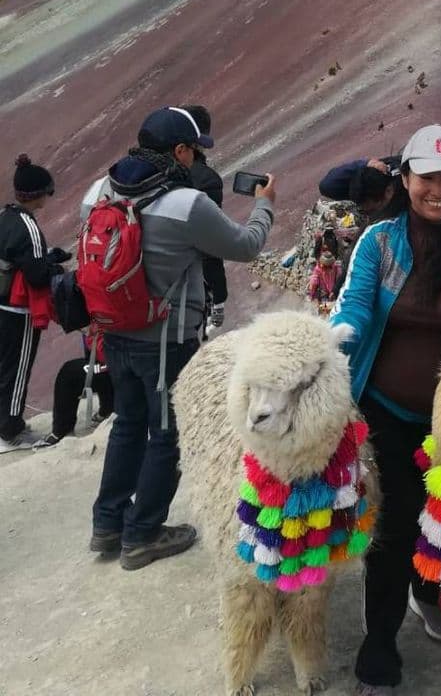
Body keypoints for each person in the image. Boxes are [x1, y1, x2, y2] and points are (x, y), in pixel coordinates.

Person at [330, 124, 441, 695]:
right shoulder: (378, 242)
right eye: (427, 177)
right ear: (404, 179)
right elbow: (356, 303)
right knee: (392, 526)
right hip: (382, 407)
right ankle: (378, 651)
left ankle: (430, 594)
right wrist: (333, 341)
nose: (439, 190)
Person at [83, 106, 275, 570]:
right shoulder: (187, 204)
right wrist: (266, 203)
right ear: (181, 151)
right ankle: (143, 534)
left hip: (114, 330)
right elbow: (246, 246)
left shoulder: (100, 192)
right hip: (167, 338)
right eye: (194, 151)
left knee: (127, 424)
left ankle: (107, 524)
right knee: (166, 434)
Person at [0, 154, 67, 452]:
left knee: (3, 367)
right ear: (39, 193)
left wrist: (45, 258)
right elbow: (38, 276)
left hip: (0, 305)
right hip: (19, 312)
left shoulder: (4, 217)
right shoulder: (28, 227)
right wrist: (55, 265)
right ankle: (11, 430)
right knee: (17, 370)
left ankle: (4, 421)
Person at [181, 105, 227, 332]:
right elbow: (210, 246)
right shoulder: (206, 181)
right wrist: (219, 297)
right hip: (184, 296)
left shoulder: (135, 177)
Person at [32, 332, 114, 449]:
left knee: (68, 374)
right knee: (93, 357)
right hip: (127, 357)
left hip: (124, 362)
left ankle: (61, 431)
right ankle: (107, 408)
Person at [319, 154, 404, 218]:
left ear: (389, 191)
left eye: (374, 210)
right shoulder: (374, 179)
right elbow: (327, 185)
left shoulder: (409, 183)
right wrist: (366, 164)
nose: (374, 216)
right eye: (367, 212)